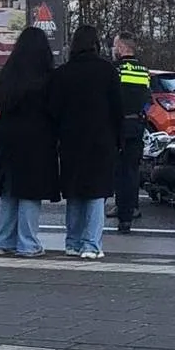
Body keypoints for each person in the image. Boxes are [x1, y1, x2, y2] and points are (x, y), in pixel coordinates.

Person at [48, 25, 122, 260]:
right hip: (101, 140)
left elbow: (53, 111)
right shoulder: (107, 71)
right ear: (96, 44)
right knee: (96, 194)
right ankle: (91, 244)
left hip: (71, 141)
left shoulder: (62, 73)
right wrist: (118, 139)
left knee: (75, 192)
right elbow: (117, 109)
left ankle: (72, 242)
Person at [0, 27, 60, 258]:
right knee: (30, 190)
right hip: (38, 138)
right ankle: (28, 243)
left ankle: (3, 241)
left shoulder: (7, 74)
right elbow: (54, 110)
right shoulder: (47, 78)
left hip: (9, 137)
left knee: (9, 189)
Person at [107, 32, 150, 233]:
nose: (113, 49)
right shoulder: (144, 71)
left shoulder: (115, 70)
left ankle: (122, 209)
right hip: (137, 124)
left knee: (118, 169)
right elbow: (146, 100)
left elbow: (111, 98)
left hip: (118, 125)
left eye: (115, 45)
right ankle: (132, 206)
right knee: (132, 169)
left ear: (123, 48)